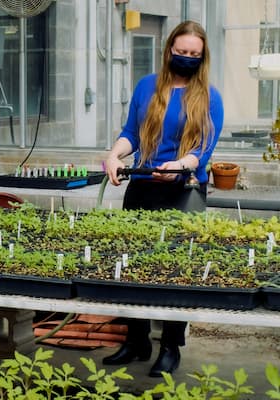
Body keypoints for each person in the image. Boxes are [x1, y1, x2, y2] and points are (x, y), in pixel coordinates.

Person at [102, 20, 224, 377]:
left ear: (202, 58)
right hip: (142, 184)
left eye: (193, 55)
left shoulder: (208, 96)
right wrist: (114, 155)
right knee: (131, 264)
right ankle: (136, 339)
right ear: (169, 49)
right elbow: (131, 134)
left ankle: (170, 346)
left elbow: (203, 149)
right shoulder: (146, 87)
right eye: (181, 51)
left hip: (183, 190)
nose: (186, 58)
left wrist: (179, 166)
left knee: (176, 271)